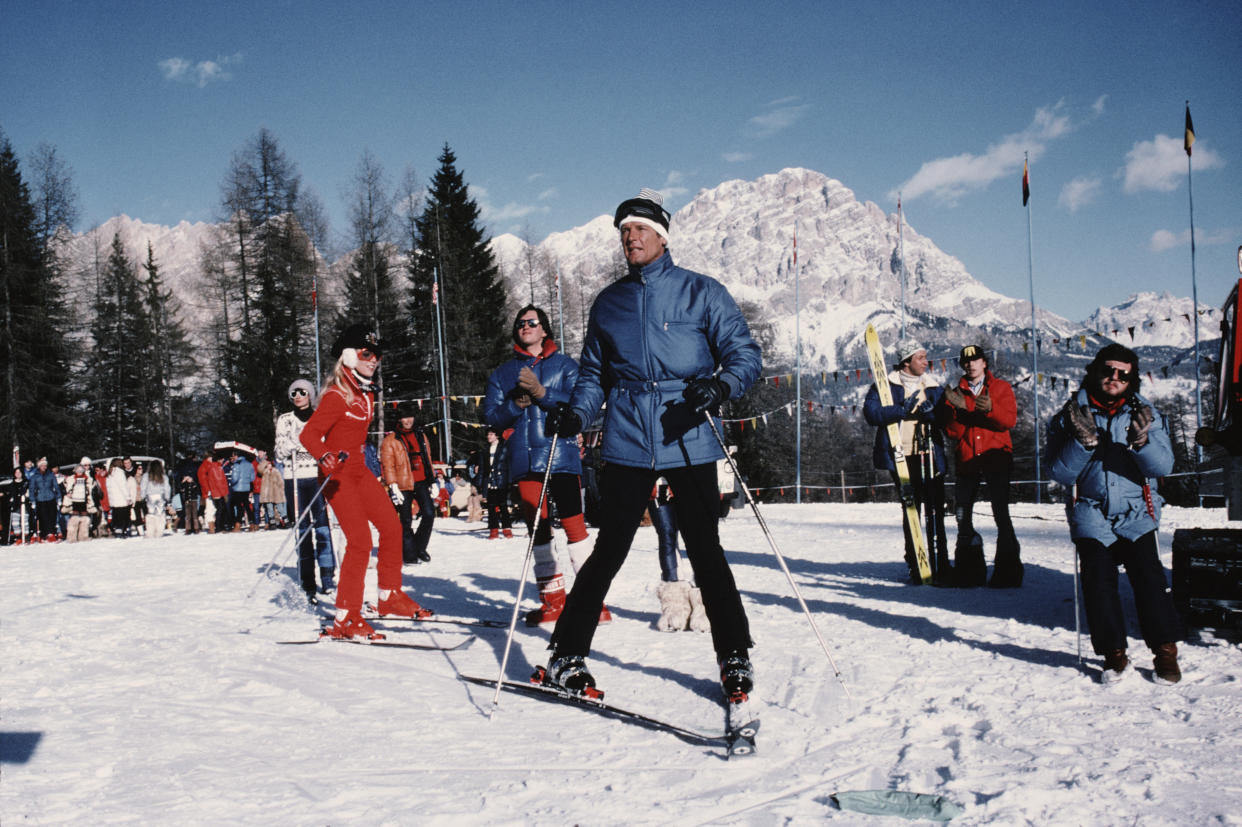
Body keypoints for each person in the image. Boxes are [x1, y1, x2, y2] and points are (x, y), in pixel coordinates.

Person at [543, 189, 761, 699]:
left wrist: (720, 385)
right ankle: (566, 655)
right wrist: (575, 413)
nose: (629, 237)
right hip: (627, 434)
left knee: (706, 548)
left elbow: (743, 354)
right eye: (623, 231)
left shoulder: (701, 291)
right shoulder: (610, 302)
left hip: (687, 430)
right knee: (609, 550)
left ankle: (734, 655)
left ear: (662, 237)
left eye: (639, 229)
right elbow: (594, 374)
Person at [1047, 343, 1181, 684]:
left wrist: (1142, 442)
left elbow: (1164, 465)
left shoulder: (1146, 413)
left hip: (1136, 510)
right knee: (1098, 579)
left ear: (1131, 378)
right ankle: (1114, 655)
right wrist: (1082, 443)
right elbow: (1060, 473)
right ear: (1095, 371)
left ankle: (1165, 651)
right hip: (1091, 509)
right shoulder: (1069, 415)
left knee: (1149, 577)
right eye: (1108, 370)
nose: (1114, 378)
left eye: (1123, 373)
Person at [299, 323, 433, 638]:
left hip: (360, 471)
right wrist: (323, 456)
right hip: (338, 476)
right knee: (360, 541)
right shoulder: (336, 395)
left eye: (377, 355)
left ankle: (388, 596)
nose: (374, 360)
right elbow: (309, 434)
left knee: (392, 526)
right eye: (366, 353)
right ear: (349, 356)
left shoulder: (364, 393)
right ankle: (345, 616)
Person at [484, 304, 605, 627]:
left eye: (532, 322)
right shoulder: (503, 373)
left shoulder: (565, 365)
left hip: (561, 454)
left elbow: (581, 403)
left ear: (545, 329)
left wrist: (542, 393)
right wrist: (515, 403)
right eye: (521, 323)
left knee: (575, 527)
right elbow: (491, 417)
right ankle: (552, 602)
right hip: (524, 459)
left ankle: (593, 602)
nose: (526, 326)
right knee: (539, 531)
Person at [863, 339, 949, 584]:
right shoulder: (886, 385)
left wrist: (933, 413)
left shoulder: (931, 386)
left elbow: (945, 418)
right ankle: (916, 561)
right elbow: (871, 413)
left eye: (925, 357)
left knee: (936, 510)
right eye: (920, 357)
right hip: (901, 455)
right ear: (906, 361)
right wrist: (901, 409)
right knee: (911, 509)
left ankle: (940, 561)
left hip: (929, 453)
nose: (926, 362)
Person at [941, 345, 1021, 587]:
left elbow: (1008, 421)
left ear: (984, 363)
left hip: (995, 459)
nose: (970, 365)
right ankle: (968, 569)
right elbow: (952, 432)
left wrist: (990, 410)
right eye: (966, 362)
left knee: (1001, 514)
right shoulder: (956, 393)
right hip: (967, 459)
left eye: (975, 360)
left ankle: (1008, 570)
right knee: (963, 514)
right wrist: (957, 411)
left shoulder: (1001, 388)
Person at [275, 378, 337, 600]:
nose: (298, 396)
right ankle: (307, 580)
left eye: (302, 392)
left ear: (310, 394)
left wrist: (309, 445)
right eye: (294, 393)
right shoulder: (285, 420)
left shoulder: (319, 416)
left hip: (316, 476)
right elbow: (280, 450)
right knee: (302, 530)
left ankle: (328, 575)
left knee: (322, 527)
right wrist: (302, 444)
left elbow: (327, 443)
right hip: (295, 479)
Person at [379, 402, 434, 566]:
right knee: (406, 520)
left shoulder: (421, 435)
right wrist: (392, 485)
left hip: (421, 480)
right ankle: (410, 555)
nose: (408, 420)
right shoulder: (391, 440)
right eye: (404, 417)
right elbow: (387, 465)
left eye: (410, 416)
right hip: (402, 483)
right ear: (399, 419)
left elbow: (427, 458)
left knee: (429, 514)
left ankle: (419, 547)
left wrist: (433, 479)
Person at [476, 428, 514, 539]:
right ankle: (493, 529)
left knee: (503, 505)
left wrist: (510, 480)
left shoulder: (504, 449)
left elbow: (509, 465)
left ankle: (507, 528)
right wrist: (480, 482)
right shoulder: (484, 451)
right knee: (491, 507)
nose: (489, 436)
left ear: (497, 436)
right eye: (488, 434)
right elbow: (482, 468)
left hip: (501, 480)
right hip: (490, 482)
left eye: (491, 434)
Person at [28, 456, 62, 542]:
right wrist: (32, 500)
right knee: (43, 516)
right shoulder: (35, 476)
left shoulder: (50, 475)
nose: (44, 467)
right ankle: (44, 533)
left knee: (52, 515)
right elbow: (32, 489)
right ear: (39, 466)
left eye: (45, 465)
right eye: (42, 465)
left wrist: (59, 497)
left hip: (50, 497)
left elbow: (56, 486)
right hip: (40, 499)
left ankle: (51, 533)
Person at [61, 462, 97, 543]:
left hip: (84, 502)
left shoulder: (88, 479)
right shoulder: (70, 479)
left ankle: (83, 536)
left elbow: (91, 489)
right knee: (74, 519)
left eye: (81, 470)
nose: (80, 471)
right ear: (75, 471)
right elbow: (64, 487)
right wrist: (67, 494)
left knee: (85, 519)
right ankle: (71, 537)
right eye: (78, 470)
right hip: (74, 502)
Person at [197, 450, 230, 533]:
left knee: (213, 509)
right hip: (210, 492)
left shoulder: (207, 466)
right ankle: (211, 527)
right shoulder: (206, 467)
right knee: (210, 509)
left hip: (211, 491)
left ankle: (213, 527)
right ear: (209, 457)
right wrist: (208, 491)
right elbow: (203, 481)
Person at [139, 459, 172, 538]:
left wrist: (142, 496)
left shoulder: (146, 476)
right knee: (160, 514)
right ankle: (159, 532)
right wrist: (167, 497)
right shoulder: (163, 476)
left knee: (150, 515)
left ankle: (150, 532)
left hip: (150, 497)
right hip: (160, 497)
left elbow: (143, 487)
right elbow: (167, 488)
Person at [255, 450, 286, 529]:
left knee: (280, 507)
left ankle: (285, 520)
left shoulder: (276, 471)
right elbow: (259, 469)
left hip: (276, 492)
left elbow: (280, 481)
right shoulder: (264, 471)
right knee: (269, 508)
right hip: (267, 493)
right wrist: (265, 464)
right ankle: (272, 523)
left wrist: (281, 489)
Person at [173, 452, 203, 535]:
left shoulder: (181, 465)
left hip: (185, 492)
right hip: (194, 491)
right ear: (194, 457)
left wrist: (180, 484)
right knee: (195, 512)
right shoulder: (196, 465)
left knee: (186, 512)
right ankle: (195, 527)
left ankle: (188, 528)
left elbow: (177, 477)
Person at [226, 451, 256, 531]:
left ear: (236, 456)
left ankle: (237, 525)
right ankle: (252, 523)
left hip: (237, 488)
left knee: (239, 507)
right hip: (246, 488)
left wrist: (231, 483)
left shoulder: (236, 464)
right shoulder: (249, 464)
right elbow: (252, 478)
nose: (233, 457)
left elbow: (235, 478)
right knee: (247, 506)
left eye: (233, 455)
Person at [106, 458, 133, 537]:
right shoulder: (119, 473)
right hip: (121, 500)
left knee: (116, 518)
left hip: (114, 501)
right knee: (124, 517)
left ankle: (117, 531)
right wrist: (128, 497)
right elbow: (123, 486)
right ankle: (123, 531)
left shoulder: (110, 474)